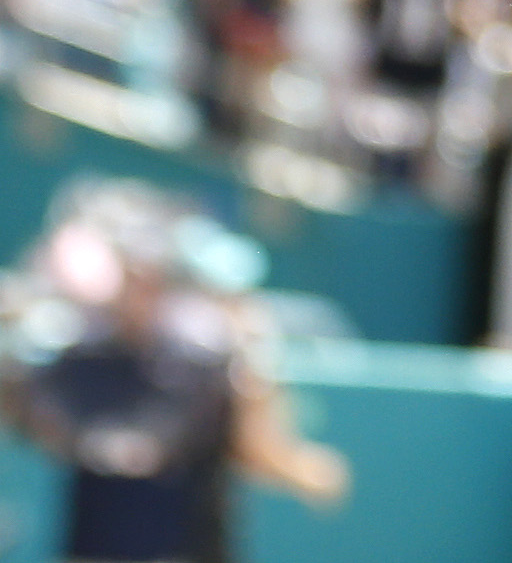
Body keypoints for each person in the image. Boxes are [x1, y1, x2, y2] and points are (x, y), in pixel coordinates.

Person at [2, 187, 349, 563]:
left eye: (151, 275)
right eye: (133, 272)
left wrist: (301, 468)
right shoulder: (64, 360)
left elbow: (257, 451)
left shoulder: (211, 362)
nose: (141, 286)